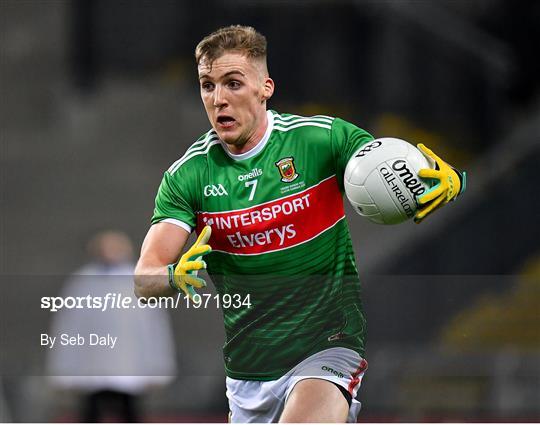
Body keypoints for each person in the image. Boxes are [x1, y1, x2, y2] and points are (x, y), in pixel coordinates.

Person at [134, 25, 465, 422]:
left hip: (328, 345)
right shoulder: (188, 176)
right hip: (248, 371)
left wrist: (451, 179)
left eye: (232, 83)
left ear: (265, 88)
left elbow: (394, 170)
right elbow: (143, 279)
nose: (218, 98)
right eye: (207, 86)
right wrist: (173, 274)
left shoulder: (321, 140)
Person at [48, 231, 176, 422]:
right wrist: (64, 368)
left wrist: (158, 367)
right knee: (90, 412)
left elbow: (153, 329)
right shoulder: (82, 282)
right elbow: (69, 327)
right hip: (91, 363)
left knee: (129, 412)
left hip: (130, 363)